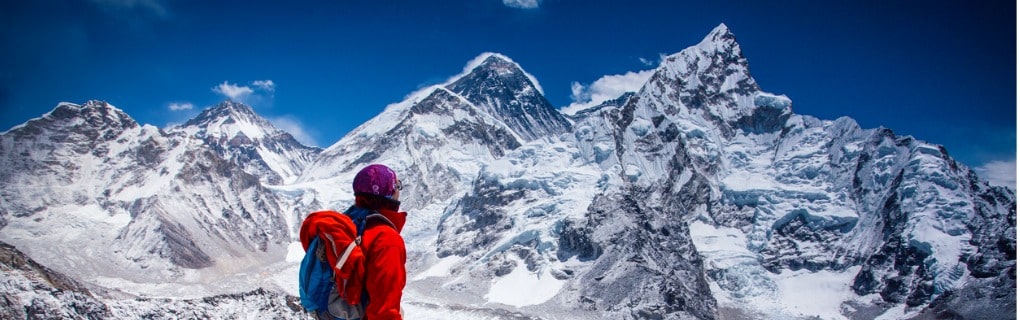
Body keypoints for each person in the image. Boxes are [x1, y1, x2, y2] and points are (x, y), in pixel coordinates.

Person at [351, 164, 408, 319]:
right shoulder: (386, 238)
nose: (398, 191)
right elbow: (384, 310)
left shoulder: (350, 226)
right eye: (396, 186)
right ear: (389, 191)